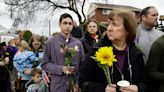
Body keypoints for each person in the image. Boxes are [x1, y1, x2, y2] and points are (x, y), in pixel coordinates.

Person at [79, 10, 148, 92]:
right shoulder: (96, 51)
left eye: (114, 24)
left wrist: (138, 88)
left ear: (127, 30)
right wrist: (103, 89)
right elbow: (82, 81)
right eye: (108, 24)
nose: (109, 28)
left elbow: (145, 83)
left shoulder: (136, 53)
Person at [41, 13, 85, 92]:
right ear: (59, 24)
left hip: (74, 86)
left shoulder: (78, 43)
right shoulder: (51, 42)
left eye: (70, 24)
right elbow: (44, 64)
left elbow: (83, 65)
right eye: (65, 23)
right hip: (58, 85)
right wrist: (61, 69)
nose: (67, 26)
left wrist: (78, 83)